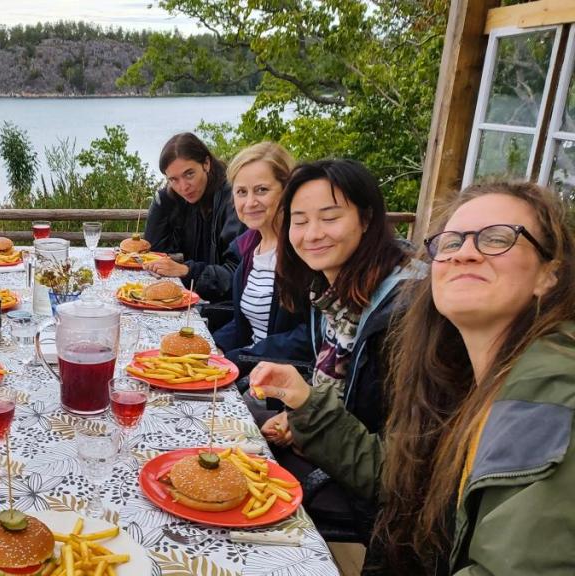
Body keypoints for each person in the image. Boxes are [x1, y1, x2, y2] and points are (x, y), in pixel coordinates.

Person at [251, 181, 574, 574]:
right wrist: (305, 401)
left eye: (497, 239)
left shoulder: (551, 391)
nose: (465, 254)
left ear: (550, 275)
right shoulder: (462, 375)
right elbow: (400, 476)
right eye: (451, 243)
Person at [252, 159, 426, 540]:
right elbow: (347, 396)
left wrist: (305, 409)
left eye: (329, 217)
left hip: (373, 509)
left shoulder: (408, 314)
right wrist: (298, 414)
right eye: (299, 220)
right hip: (330, 452)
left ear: (366, 219)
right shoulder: (331, 295)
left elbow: (397, 476)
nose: (312, 234)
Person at [211, 142, 309, 377]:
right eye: (241, 192)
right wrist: (213, 347)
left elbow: (311, 336)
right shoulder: (249, 250)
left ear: (287, 190)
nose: (250, 202)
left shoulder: (303, 251)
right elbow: (244, 322)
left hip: (282, 387)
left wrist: (240, 358)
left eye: (262, 190)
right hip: (251, 371)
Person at [143, 132, 244, 302]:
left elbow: (237, 273)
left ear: (206, 163)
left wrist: (187, 271)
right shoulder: (183, 199)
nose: (183, 187)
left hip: (227, 310)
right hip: (201, 299)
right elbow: (155, 251)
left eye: (189, 174)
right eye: (173, 179)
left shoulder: (233, 200)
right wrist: (163, 200)